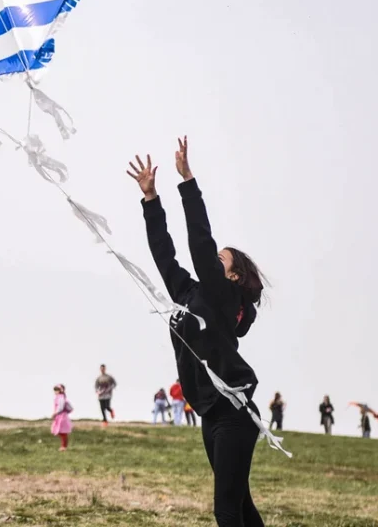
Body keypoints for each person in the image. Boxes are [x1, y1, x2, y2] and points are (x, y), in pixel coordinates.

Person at [128, 137, 268, 526]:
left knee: (225, 510)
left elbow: (200, 244)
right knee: (240, 505)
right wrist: (151, 201)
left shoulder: (226, 300)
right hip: (210, 414)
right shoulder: (189, 294)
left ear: (234, 275)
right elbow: (165, 254)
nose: (213, 260)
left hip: (234, 414)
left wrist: (188, 182)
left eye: (221, 260)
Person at [51, 384, 73, 451]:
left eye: (57, 390)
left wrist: (55, 413)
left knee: (62, 432)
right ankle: (63, 445)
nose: (55, 392)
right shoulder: (60, 397)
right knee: (60, 431)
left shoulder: (60, 398)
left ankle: (64, 446)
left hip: (61, 417)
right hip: (60, 416)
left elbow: (60, 407)